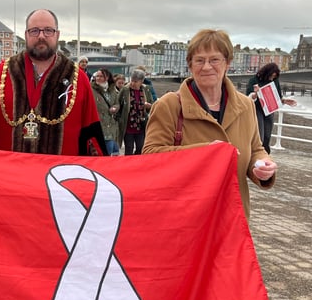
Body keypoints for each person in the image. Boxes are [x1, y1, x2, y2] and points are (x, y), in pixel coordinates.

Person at [143, 29, 276, 218]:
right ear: (190, 65)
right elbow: (150, 156)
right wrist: (207, 153)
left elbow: (255, 148)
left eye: (214, 60)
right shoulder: (169, 105)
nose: (206, 67)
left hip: (233, 218)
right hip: (185, 219)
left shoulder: (245, 105)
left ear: (227, 63)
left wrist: (262, 165)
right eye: (199, 60)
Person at [0, 9, 106, 155]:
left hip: (57, 175)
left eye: (48, 30)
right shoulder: (0, 74)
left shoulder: (78, 79)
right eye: (34, 31)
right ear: (26, 35)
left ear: (57, 35)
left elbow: (91, 133)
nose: (41, 36)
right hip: (8, 173)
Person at [246, 62, 297, 153]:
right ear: (266, 73)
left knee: (267, 134)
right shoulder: (254, 80)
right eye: (271, 76)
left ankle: (266, 154)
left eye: (274, 77)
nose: (272, 78)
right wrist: (256, 93)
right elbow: (248, 98)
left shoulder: (274, 80)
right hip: (257, 109)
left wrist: (285, 101)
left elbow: (278, 97)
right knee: (260, 134)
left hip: (269, 109)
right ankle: (257, 154)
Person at [117, 69, 153, 155]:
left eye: (136, 81)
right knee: (129, 148)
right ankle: (127, 165)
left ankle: (136, 163)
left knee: (140, 147)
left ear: (141, 81)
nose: (133, 83)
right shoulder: (125, 90)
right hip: (128, 125)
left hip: (141, 125)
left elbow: (152, 104)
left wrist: (149, 106)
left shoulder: (146, 90)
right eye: (132, 80)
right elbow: (117, 103)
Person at [91, 68, 121, 155]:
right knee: (100, 151)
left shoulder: (112, 90)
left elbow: (117, 103)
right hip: (98, 123)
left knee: (111, 151)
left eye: (101, 76)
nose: (98, 78)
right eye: (97, 76)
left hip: (111, 124)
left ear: (106, 78)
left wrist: (115, 108)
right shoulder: (91, 89)